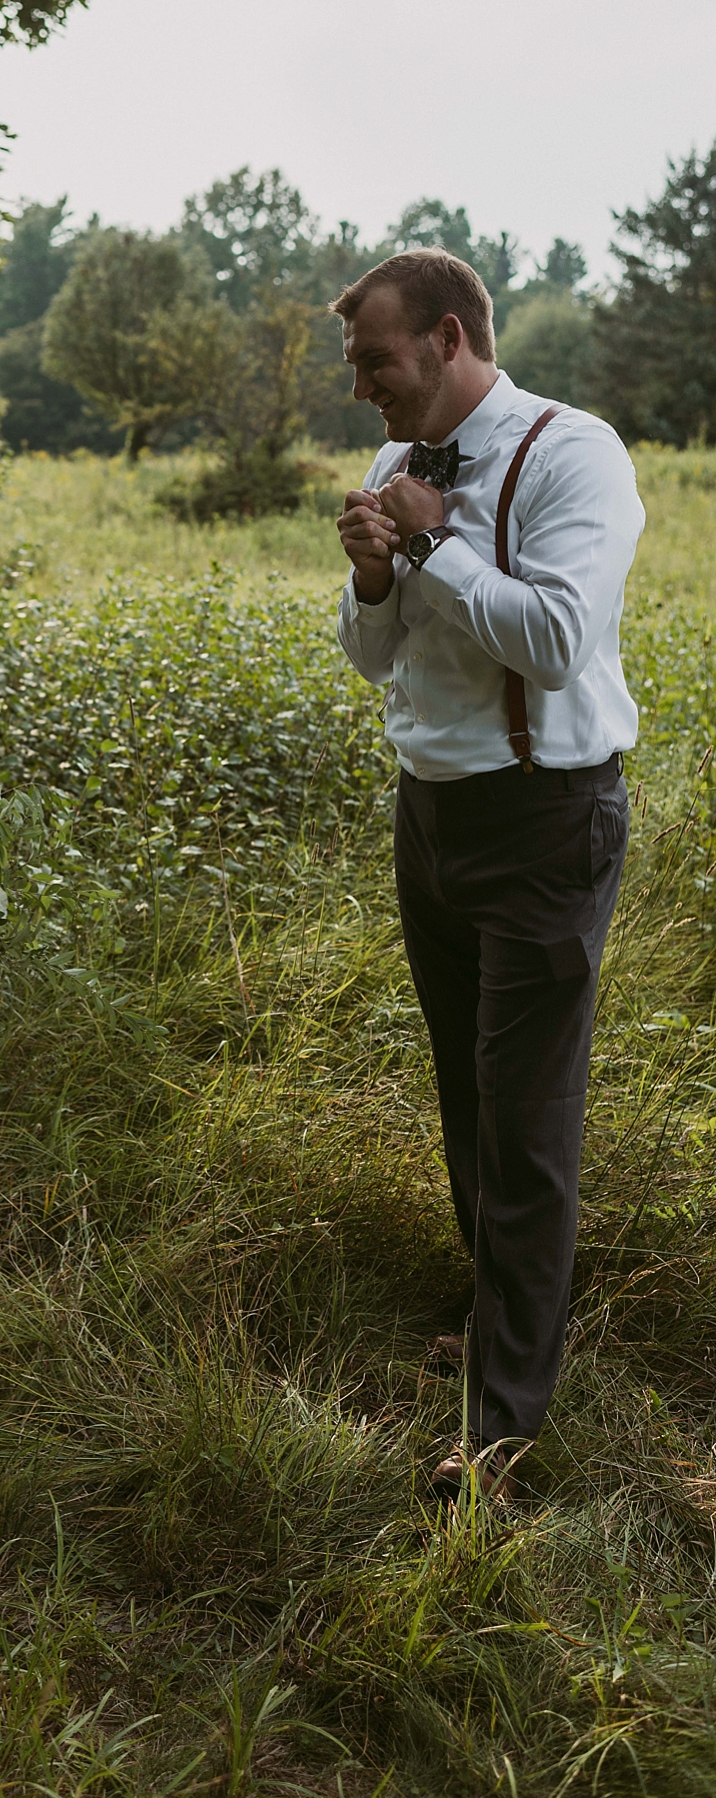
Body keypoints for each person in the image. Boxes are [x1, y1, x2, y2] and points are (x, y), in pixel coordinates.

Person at [332, 249, 643, 1504]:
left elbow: (558, 644)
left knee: (525, 1118)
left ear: (449, 338)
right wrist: (370, 574)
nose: (361, 391)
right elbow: (373, 657)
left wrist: (430, 546)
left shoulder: (576, 454)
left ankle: (503, 1426)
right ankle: (504, 1323)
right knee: (467, 1094)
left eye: (376, 363)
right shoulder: (390, 465)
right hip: (433, 818)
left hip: (544, 821)